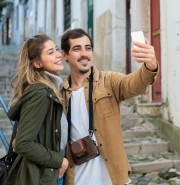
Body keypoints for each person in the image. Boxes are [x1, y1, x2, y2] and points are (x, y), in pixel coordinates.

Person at [60, 28, 158, 185]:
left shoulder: (109, 81)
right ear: (64, 55)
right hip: (75, 179)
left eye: (88, 48)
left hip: (112, 179)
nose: (84, 53)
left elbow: (134, 84)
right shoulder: (59, 94)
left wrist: (150, 67)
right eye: (77, 49)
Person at [5, 35, 69, 185]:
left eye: (56, 50)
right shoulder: (41, 93)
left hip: (46, 171)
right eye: (50, 52)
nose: (59, 54)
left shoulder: (49, 89)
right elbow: (23, 143)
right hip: (43, 174)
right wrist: (61, 161)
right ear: (37, 63)